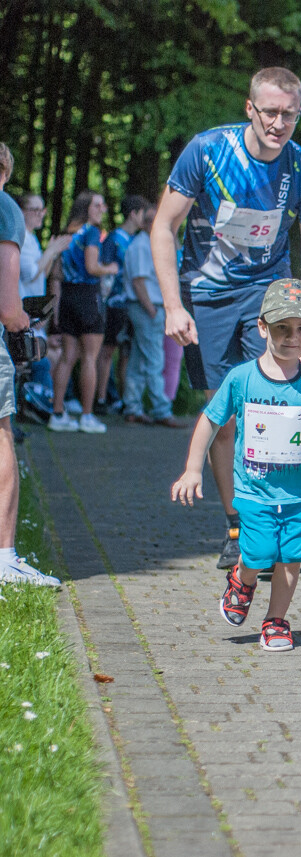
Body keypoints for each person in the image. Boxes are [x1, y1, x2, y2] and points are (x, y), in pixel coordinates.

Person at [152, 66, 301, 572]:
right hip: (204, 296)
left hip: (267, 296)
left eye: (288, 114)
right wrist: (172, 304)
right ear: (250, 108)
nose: (278, 123)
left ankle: (268, 519)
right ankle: (234, 521)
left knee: (272, 409)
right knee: (224, 415)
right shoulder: (208, 151)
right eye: (270, 111)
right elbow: (164, 226)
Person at [170, 279, 301, 652]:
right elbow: (211, 420)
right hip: (254, 490)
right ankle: (241, 581)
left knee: (292, 559)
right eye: (281, 327)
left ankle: (276, 621)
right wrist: (193, 468)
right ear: (262, 327)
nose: (291, 337)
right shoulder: (242, 378)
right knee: (260, 555)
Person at [0, 145, 59, 586]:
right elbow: (8, 303)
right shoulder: (4, 209)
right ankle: (4, 560)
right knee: (2, 436)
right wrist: (25, 322)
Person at [50, 191, 119, 433]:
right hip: (88, 298)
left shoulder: (67, 232)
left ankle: (57, 413)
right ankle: (87, 416)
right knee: (90, 357)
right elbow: (91, 266)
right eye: (98, 205)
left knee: (68, 357)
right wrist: (109, 267)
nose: (103, 209)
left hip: (67, 297)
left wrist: (56, 309)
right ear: (86, 208)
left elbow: (56, 274)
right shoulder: (90, 232)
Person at [122, 201, 183, 427]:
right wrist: (151, 310)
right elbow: (138, 281)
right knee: (155, 359)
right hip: (146, 307)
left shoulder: (148, 243)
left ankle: (133, 407)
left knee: (139, 359)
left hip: (149, 307)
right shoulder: (140, 245)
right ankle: (161, 410)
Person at [96, 195, 151, 416]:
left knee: (126, 354)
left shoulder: (136, 240)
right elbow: (105, 272)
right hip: (113, 304)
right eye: (143, 214)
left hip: (130, 305)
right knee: (107, 351)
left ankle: (120, 399)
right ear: (134, 213)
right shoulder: (114, 239)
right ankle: (100, 399)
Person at [17, 193, 68, 394]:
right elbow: (30, 273)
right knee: (47, 358)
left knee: (55, 354)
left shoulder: (31, 238)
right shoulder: (22, 237)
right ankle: (43, 405)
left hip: (31, 313)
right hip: (22, 312)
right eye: (34, 210)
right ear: (21, 212)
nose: (40, 215)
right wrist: (51, 251)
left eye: (42, 210)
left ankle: (48, 403)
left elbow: (41, 273)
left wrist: (52, 252)